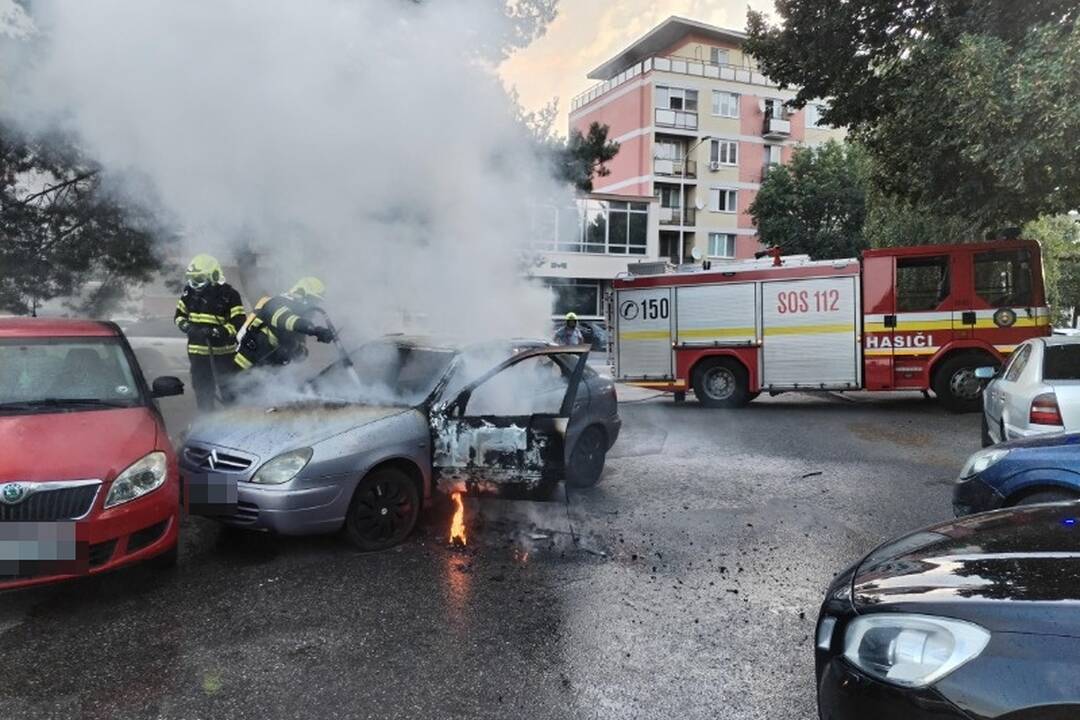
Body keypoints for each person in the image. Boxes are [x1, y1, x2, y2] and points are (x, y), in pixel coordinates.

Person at [174, 254, 246, 411]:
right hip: (197, 356)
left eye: (199, 279)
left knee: (230, 392)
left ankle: (234, 422)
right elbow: (179, 317)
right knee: (203, 393)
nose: (194, 284)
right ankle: (208, 422)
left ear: (213, 275)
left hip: (223, 356)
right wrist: (188, 327)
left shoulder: (229, 295)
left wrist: (217, 332)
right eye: (191, 279)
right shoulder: (189, 293)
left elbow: (239, 321)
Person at [234, 276, 335, 371]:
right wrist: (314, 330)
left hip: (267, 371)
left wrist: (299, 351)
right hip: (245, 364)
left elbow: (297, 348)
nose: (313, 305)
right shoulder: (277, 302)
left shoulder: (299, 317)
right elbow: (285, 320)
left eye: (316, 302)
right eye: (312, 300)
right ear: (301, 292)